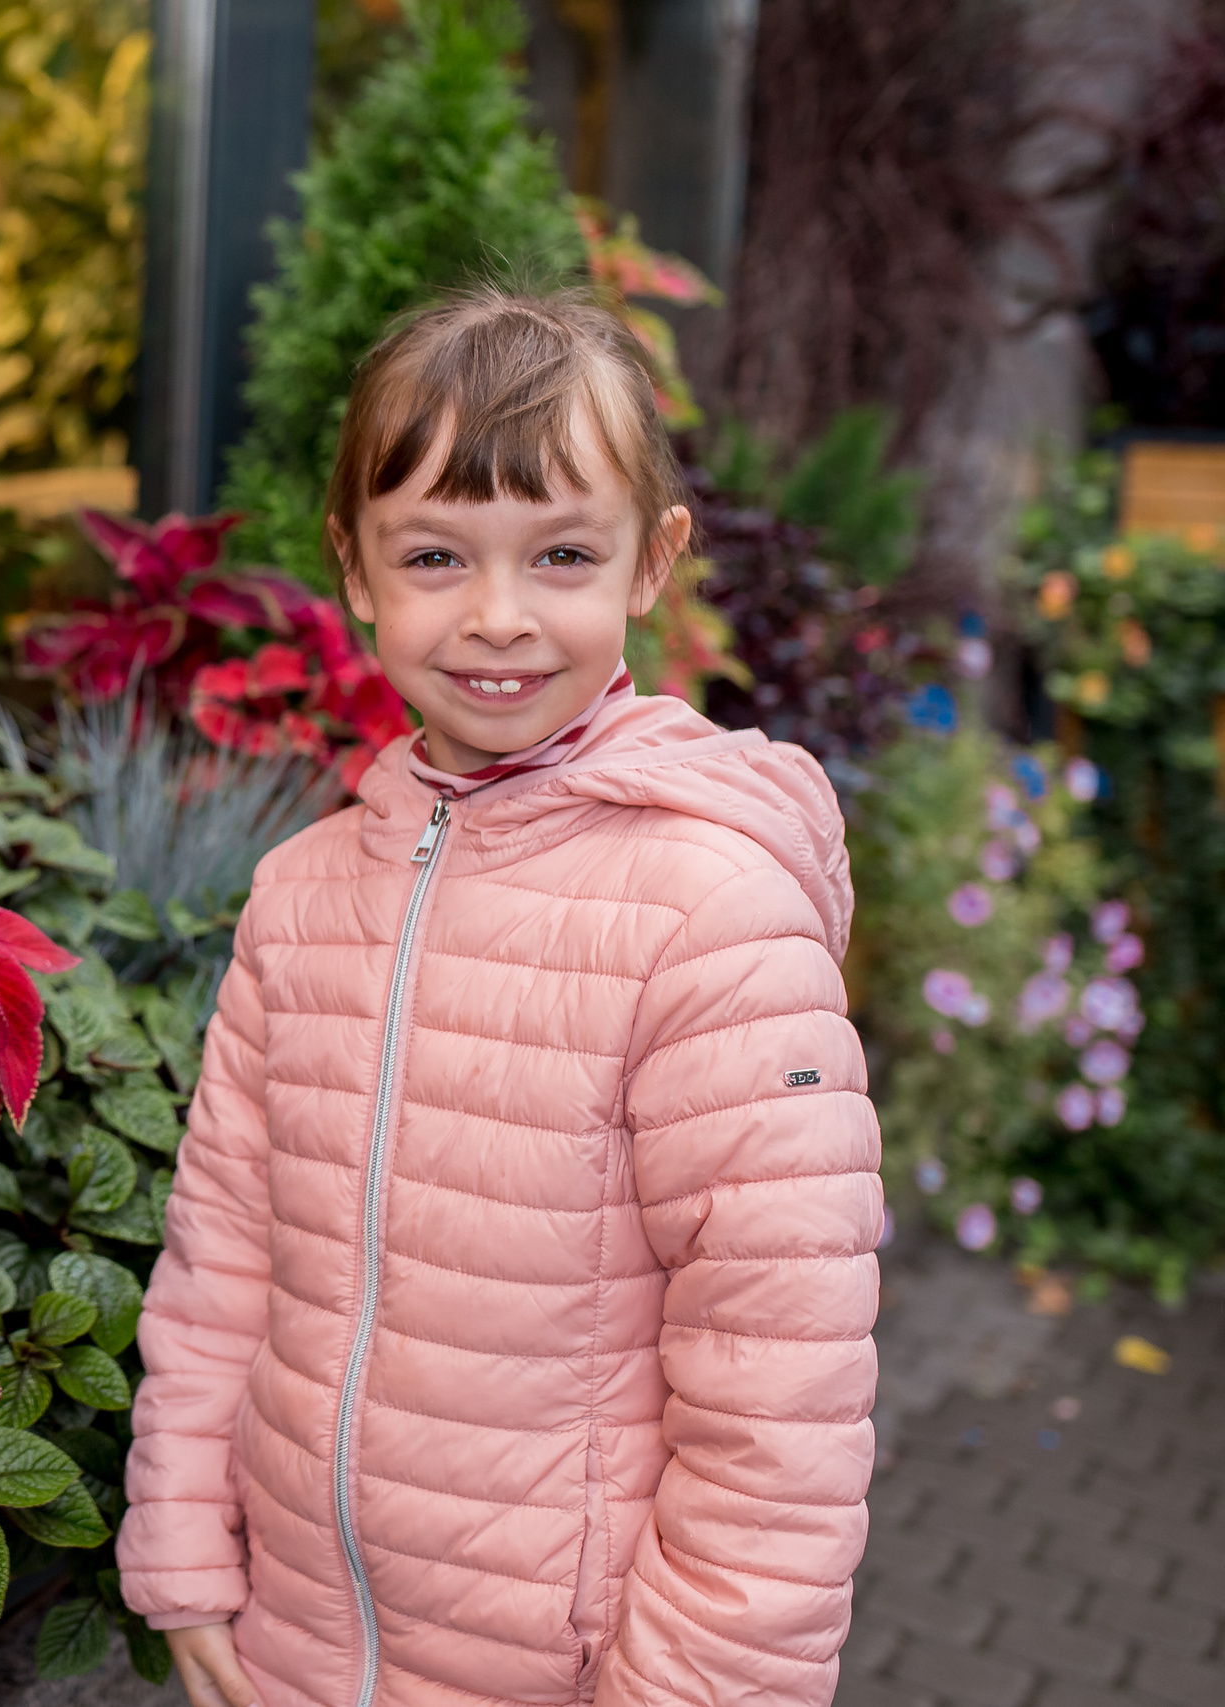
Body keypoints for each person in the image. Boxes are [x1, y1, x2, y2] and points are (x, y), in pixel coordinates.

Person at [115, 288, 881, 1707]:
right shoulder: (301, 896)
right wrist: (179, 1542)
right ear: (354, 565)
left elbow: (778, 1398)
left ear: (653, 565)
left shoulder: (712, 919)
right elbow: (223, 1254)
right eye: (435, 556)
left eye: (564, 554)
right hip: (297, 1644)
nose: (500, 618)